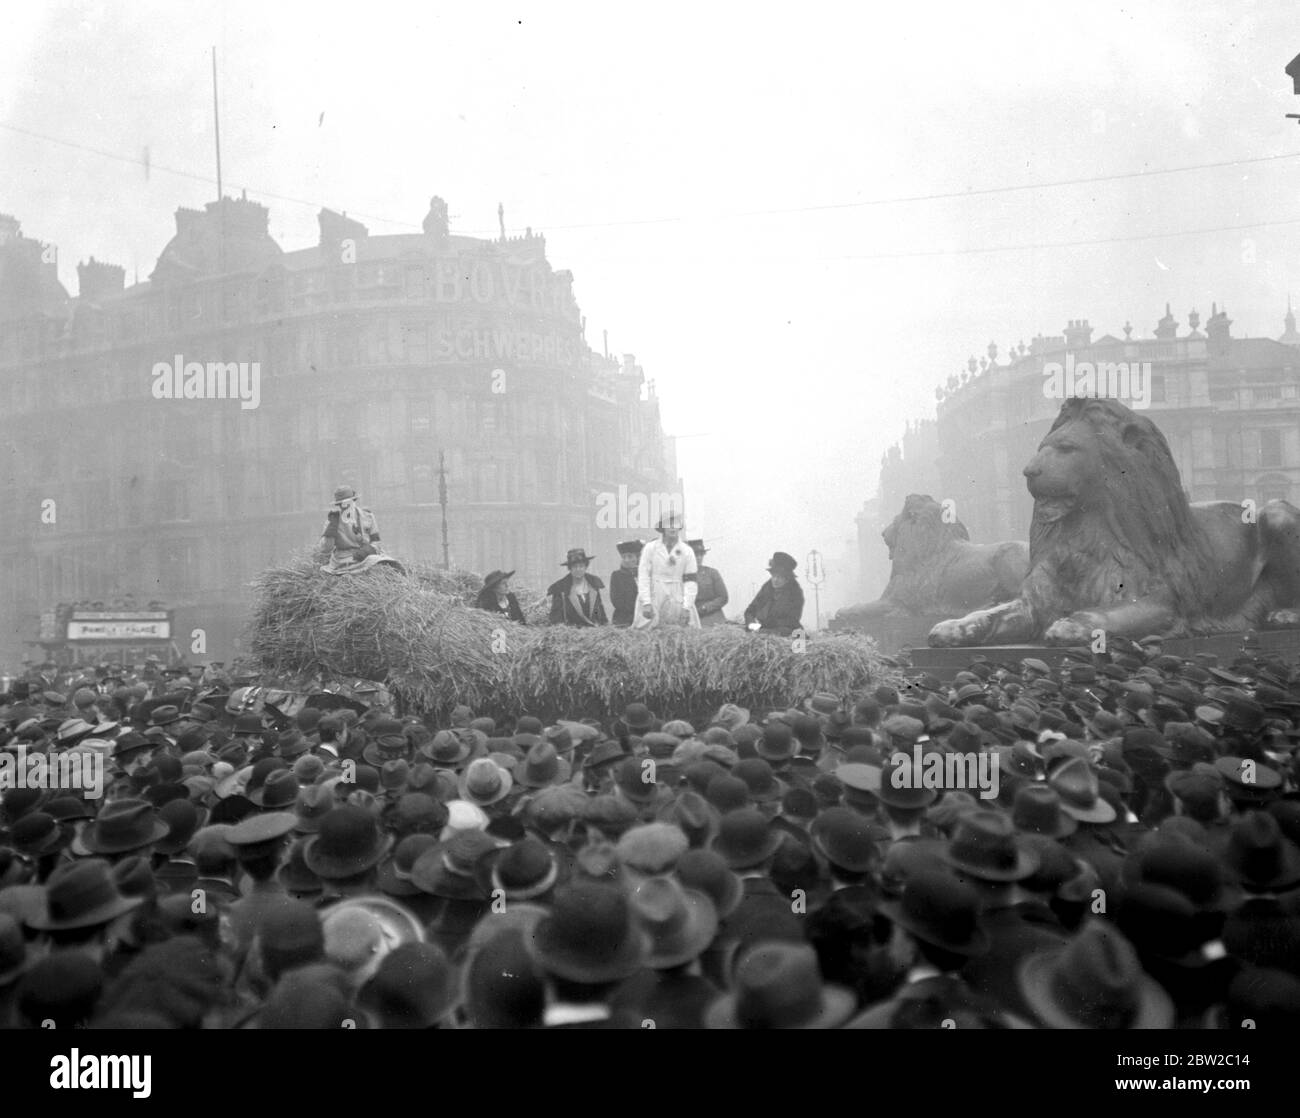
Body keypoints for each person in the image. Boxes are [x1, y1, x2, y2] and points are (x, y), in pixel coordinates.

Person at [633, 513, 700, 630]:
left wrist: (687, 607)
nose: (672, 527)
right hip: (654, 593)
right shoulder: (650, 548)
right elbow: (643, 575)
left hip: (677, 593)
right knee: (647, 632)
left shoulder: (687, 551)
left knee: (682, 631)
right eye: (669, 524)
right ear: (662, 527)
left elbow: (691, 581)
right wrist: (646, 603)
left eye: (675, 524)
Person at [318, 486, 400, 575]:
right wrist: (331, 528)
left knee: (390, 563)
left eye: (348, 503)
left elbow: (376, 542)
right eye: (341, 504)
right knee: (372, 562)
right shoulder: (333, 521)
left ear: (354, 501)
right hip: (344, 558)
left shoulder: (368, 516)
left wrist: (367, 550)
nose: (345, 506)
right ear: (338, 505)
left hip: (367, 554)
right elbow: (325, 549)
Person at [743, 552, 804, 636]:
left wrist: (764, 629)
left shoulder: (795, 594)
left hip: (786, 632)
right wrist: (751, 624)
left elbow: (790, 622)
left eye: (779, 577)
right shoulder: (767, 587)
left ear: (787, 578)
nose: (775, 580)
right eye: (773, 575)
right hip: (762, 630)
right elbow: (750, 611)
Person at [548, 549, 608, 627]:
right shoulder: (561, 589)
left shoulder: (593, 584)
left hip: (593, 632)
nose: (578, 569)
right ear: (570, 568)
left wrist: (602, 624)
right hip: (572, 634)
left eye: (581, 566)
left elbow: (598, 610)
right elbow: (556, 617)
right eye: (575, 567)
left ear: (586, 567)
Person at [688, 540, 729, 627]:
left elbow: (723, 597)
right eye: (695, 555)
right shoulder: (683, 575)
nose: (699, 557)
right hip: (691, 617)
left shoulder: (712, 573)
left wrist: (705, 608)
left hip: (712, 616)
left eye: (701, 554)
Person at [609, 541, 644, 628]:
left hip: (643, 618)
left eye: (630, 556)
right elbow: (616, 601)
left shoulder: (644, 575)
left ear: (638, 557)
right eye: (624, 557)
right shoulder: (617, 576)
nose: (626, 560)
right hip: (623, 620)